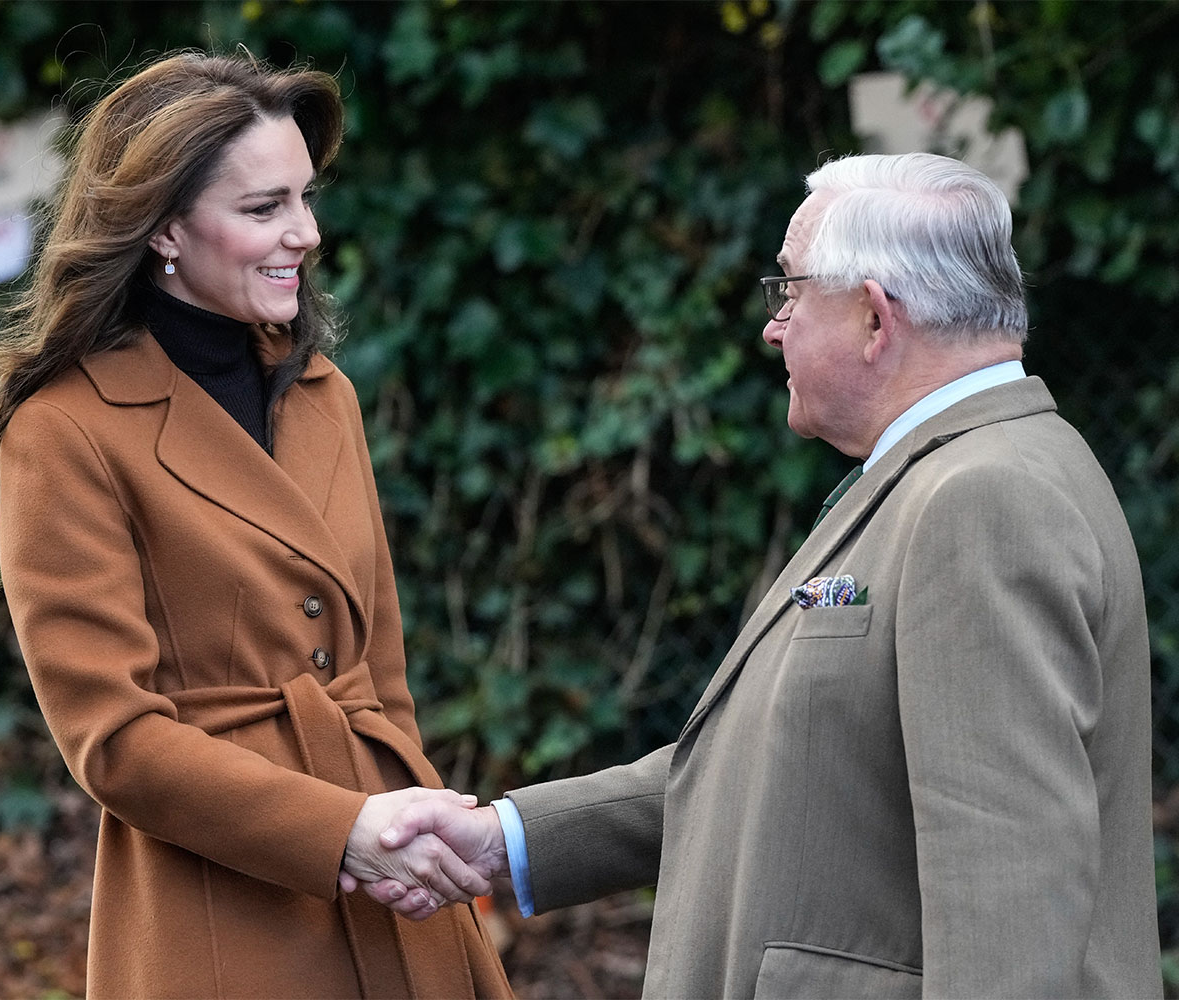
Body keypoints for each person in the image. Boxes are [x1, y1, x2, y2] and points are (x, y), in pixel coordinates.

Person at [345, 152, 1163, 998]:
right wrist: (506, 840)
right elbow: (781, 759)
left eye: (791, 292)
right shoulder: (962, 471)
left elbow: (1008, 891)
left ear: (876, 320)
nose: (773, 326)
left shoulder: (980, 498)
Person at [0, 51, 510, 1000]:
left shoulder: (325, 395)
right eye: (263, 208)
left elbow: (381, 672)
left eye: (306, 198)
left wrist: (407, 826)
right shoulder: (64, 429)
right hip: (222, 908)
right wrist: (337, 834)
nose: (307, 233)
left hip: (393, 873)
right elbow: (111, 738)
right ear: (162, 226)